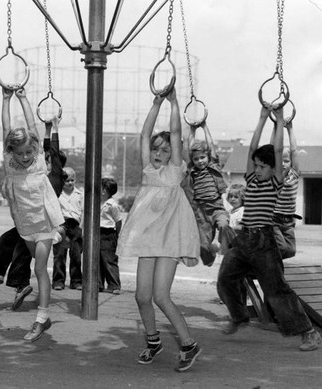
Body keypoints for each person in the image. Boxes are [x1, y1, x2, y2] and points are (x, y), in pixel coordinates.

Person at [217, 105, 321, 351]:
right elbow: (254, 148)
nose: (258, 169)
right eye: (256, 166)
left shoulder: (276, 181)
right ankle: (240, 317)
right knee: (225, 279)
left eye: (263, 166)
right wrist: (262, 118)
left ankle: (309, 332)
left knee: (276, 290)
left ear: (273, 168)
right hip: (244, 240)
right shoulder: (252, 180)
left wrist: (281, 119)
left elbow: (277, 149)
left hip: (265, 242)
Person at [117, 88, 202, 372]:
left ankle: (189, 344)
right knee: (142, 296)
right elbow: (144, 135)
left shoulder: (175, 170)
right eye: (156, 148)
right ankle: (153, 341)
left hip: (169, 240)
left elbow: (176, 135)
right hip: (149, 240)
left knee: (160, 296)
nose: (158, 152)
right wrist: (155, 103)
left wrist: (174, 102)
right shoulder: (148, 170)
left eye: (165, 150)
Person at [0, 116, 66, 311]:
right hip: (28, 220)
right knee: (12, 241)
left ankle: (14, 280)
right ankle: (14, 280)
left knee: (15, 245)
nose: (32, 158)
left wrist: (54, 130)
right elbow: (39, 142)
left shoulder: (52, 174)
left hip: (46, 221)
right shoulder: (22, 168)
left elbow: (49, 149)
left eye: (46, 158)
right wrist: (49, 128)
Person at [0, 87, 64, 342]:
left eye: (28, 151)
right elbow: (5, 128)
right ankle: (41, 315)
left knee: (39, 268)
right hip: (24, 224)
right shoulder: (9, 163)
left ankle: (41, 317)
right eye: (20, 153)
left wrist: (24, 98)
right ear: (12, 152)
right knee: (33, 265)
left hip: (44, 223)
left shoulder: (38, 161)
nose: (25, 157)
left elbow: (32, 126)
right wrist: (5, 100)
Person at [183, 121, 229, 266]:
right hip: (201, 213)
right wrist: (192, 131)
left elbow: (211, 147)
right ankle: (210, 257)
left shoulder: (213, 167)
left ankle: (225, 247)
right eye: (196, 159)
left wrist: (204, 127)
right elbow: (187, 149)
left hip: (216, 208)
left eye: (202, 157)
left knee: (223, 225)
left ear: (208, 157)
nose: (200, 161)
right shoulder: (193, 171)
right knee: (203, 245)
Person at [270, 120, 301, 260]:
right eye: (280, 160)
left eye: (286, 161)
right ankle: (265, 265)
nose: (283, 164)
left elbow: (294, 150)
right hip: (273, 218)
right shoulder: (272, 176)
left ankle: (267, 260)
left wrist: (290, 128)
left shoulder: (294, 175)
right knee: (281, 248)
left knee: (291, 251)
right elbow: (271, 149)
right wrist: (275, 127)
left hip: (288, 221)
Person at [52, 167, 83, 291]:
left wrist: (82, 229)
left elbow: (83, 212)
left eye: (72, 180)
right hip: (61, 225)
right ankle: (58, 281)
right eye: (67, 180)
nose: (70, 183)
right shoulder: (56, 194)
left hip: (75, 226)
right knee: (59, 254)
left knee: (76, 255)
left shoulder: (80, 194)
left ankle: (76, 281)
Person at [98, 177, 122, 294]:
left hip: (108, 233)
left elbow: (118, 221)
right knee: (97, 259)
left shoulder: (112, 205)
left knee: (109, 259)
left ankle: (114, 285)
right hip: (97, 232)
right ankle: (98, 284)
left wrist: (117, 235)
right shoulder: (96, 201)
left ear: (104, 191)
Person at [220, 183, 246, 254]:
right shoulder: (230, 211)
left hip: (239, 240)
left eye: (236, 197)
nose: (232, 199)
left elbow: (242, 227)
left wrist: (230, 228)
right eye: (231, 196)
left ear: (243, 198)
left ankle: (223, 251)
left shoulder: (242, 211)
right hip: (231, 241)